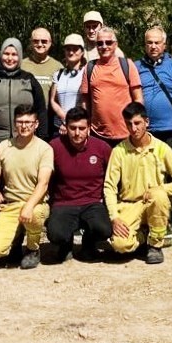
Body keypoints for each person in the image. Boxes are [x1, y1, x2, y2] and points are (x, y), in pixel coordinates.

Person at [104, 103, 172, 262]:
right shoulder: (119, 151)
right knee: (120, 245)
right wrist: (114, 218)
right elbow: (109, 187)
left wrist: (161, 188)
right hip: (129, 205)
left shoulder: (161, 148)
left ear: (147, 122)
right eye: (129, 124)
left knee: (158, 196)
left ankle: (155, 245)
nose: (133, 128)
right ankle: (143, 235)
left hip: (153, 203)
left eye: (137, 123)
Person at [0, 104, 53, 269]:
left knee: (35, 215)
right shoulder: (4, 146)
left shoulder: (45, 149)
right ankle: (15, 240)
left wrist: (29, 206)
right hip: (11, 204)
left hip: (35, 203)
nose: (24, 126)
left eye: (28, 122)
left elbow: (43, 184)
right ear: (15, 123)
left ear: (36, 124)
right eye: (20, 122)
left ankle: (32, 249)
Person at [46, 107, 114, 262]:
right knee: (55, 234)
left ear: (89, 129)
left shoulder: (102, 148)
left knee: (104, 230)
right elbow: (46, 179)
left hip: (93, 203)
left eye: (82, 128)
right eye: (73, 128)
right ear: (66, 127)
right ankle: (66, 244)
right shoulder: (54, 146)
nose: (77, 133)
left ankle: (88, 244)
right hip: (64, 203)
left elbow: (113, 179)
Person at [83, 27, 143, 145]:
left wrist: (136, 124)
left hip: (126, 133)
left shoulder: (127, 65)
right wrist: (86, 123)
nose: (104, 46)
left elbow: (138, 98)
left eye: (108, 42)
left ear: (115, 44)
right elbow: (85, 101)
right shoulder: (90, 67)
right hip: (97, 134)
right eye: (100, 43)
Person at [137, 27, 172, 155]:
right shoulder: (135, 68)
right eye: (149, 43)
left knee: (170, 173)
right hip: (144, 131)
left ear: (164, 45)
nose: (153, 46)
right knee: (146, 173)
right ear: (145, 45)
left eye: (157, 42)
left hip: (170, 131)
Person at [0, 38, 46, 142]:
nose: (10, 58)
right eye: (6, 54)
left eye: (14, 54)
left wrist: (42, 137)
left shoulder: (29, 79)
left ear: (20, 56)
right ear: (1, 55)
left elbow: (41, 110)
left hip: (25, 140)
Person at [49, 35, 87, 125]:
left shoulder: (86, 72)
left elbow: (86, 102)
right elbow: (53, 100)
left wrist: (71, 121)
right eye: (68, 49)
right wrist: (65, 118)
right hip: (59, 125)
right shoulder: (58, 74)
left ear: (82, 52)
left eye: (75, 49)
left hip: (78, 125)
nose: (71, 52)